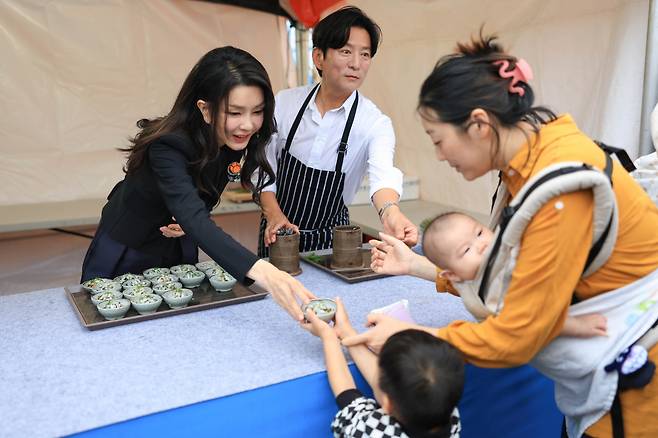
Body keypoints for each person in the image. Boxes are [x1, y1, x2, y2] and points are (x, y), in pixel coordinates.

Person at [343, 33, 658, 437]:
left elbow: (517, 336)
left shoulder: (559, 189)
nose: (440, 156)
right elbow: (511, 276)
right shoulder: (534, 157)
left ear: (478, 124)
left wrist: (414, 334)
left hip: (633, 394)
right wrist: (420, 266)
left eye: (439, 141)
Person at [81, 46, 314, 320]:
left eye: (258, 111)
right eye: (235, 113)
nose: (248, 125)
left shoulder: (233, 138)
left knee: (182, 320)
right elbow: (192, 213)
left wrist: (189, 217)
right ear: (205, 109)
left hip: (180, 243)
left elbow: (198, 201)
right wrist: (266, 273)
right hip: (128, 245)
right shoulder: (168, 145)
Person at [257, 6, 418, 256]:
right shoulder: (285, 103)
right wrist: (274, 215)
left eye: (365, 55)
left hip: (333, 243)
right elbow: (262, 167)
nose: (356, 64)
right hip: (278, 234)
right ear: (318, 57)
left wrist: (392, 213)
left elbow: (383, 175)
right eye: (346, 52)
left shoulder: (374, 123)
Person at [423, 211, 607, 337]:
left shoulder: (496, 252)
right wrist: (579, 327)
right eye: (466, 250)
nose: (481, 245)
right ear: (452, 275)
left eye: (479, 233)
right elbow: (534, 319)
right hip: (539, 331)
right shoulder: (493, 292)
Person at [303, 297, 463, 438]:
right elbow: (396, 381)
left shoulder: (373, 430)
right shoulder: (449, 415)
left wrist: (328, 337)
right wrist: (346, 331)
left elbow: (346, 394)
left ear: (387, 403)